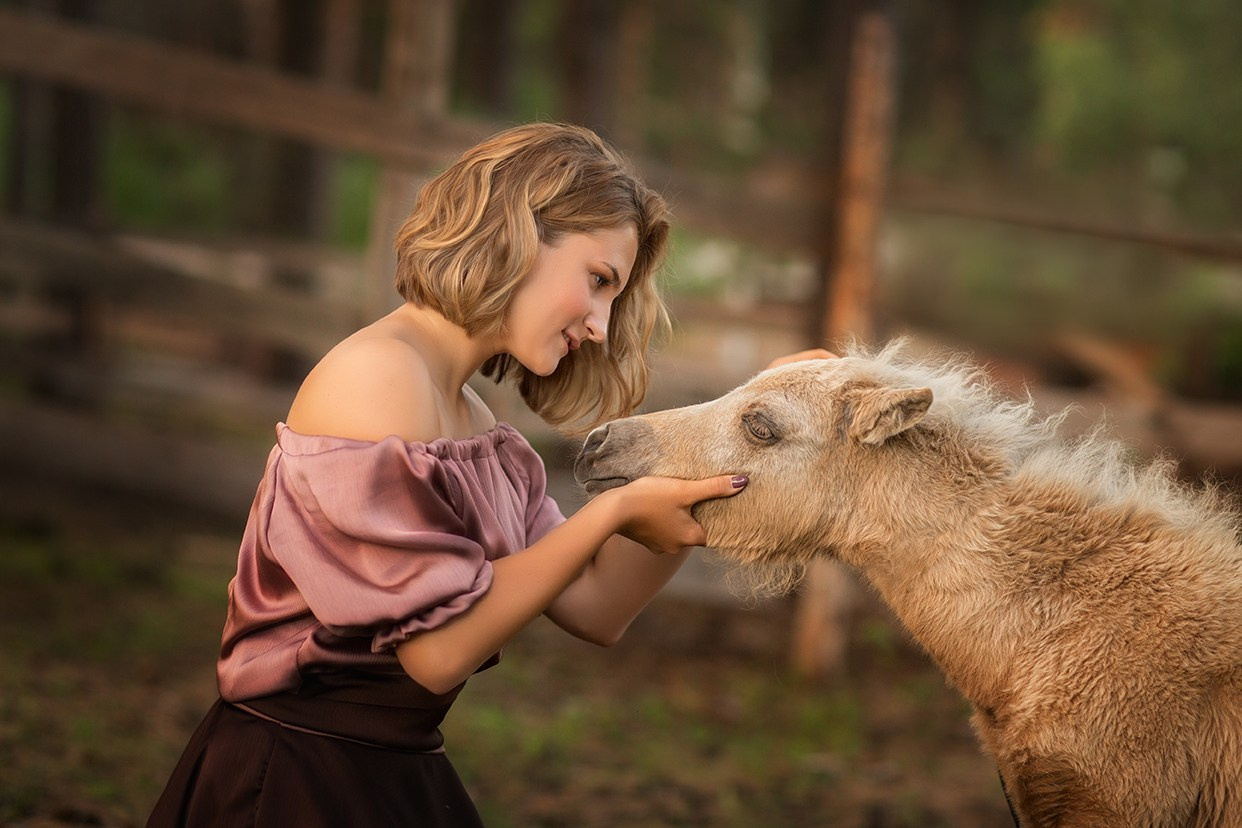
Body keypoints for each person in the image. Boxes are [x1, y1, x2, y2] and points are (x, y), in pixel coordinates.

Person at [148, 122, 831, 827]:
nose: (601, 325)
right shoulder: (375, 378)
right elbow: (437, 652)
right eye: (598, 281)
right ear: (518, 234)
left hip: (389, 769)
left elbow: (597, 605)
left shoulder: (475, 424)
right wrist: (611, 513)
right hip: (295, 777)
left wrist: (733, 443)